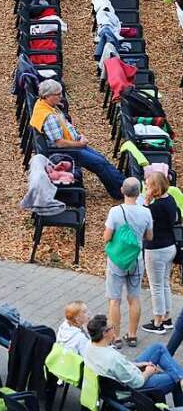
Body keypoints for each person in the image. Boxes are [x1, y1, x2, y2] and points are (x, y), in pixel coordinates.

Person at [30, 79, 125, 198]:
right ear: (47, 96)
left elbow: (64, 127)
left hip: (72, 145)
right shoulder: (49, 117)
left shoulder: (43, 105)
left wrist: (79, 137)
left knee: (101, 159)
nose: (61, 97)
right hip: (65, 151)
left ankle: (124, 184)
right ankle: (119, 192)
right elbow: (60, 143)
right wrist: (79, 144)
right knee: (99, 163)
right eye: (58, 94)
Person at [85, 314, 183, 405]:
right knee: (175, 379)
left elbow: (119, 367)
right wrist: (149, 371)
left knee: (158, 348)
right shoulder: (111, 358)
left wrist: (138, 365)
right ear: (104, 333)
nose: (114, 330)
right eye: (112, 328)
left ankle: (181, 377)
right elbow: (138, 382)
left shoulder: (90, 345)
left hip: (117, 382)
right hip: (128, 392)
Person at [102, 177, 152, 347]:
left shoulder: (115, 212)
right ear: (139, 193)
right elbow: (149, 236)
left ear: (122, 190)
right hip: (136, 260)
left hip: (117, 260)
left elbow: (107, 236)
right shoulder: (146, 212)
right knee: (134, 298)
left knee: (115, 300)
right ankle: (132, 335)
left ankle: (115, 337)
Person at [143, 172, 178, 334]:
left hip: (156, 248)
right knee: (164, 283)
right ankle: (167, 317)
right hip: (170, 246)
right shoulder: (170, 200)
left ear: (154, 188)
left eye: (148, 185)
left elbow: (143, 219)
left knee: (156, 286)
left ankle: (158, 322)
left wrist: (146, 202)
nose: (146, 188)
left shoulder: (154, 207)